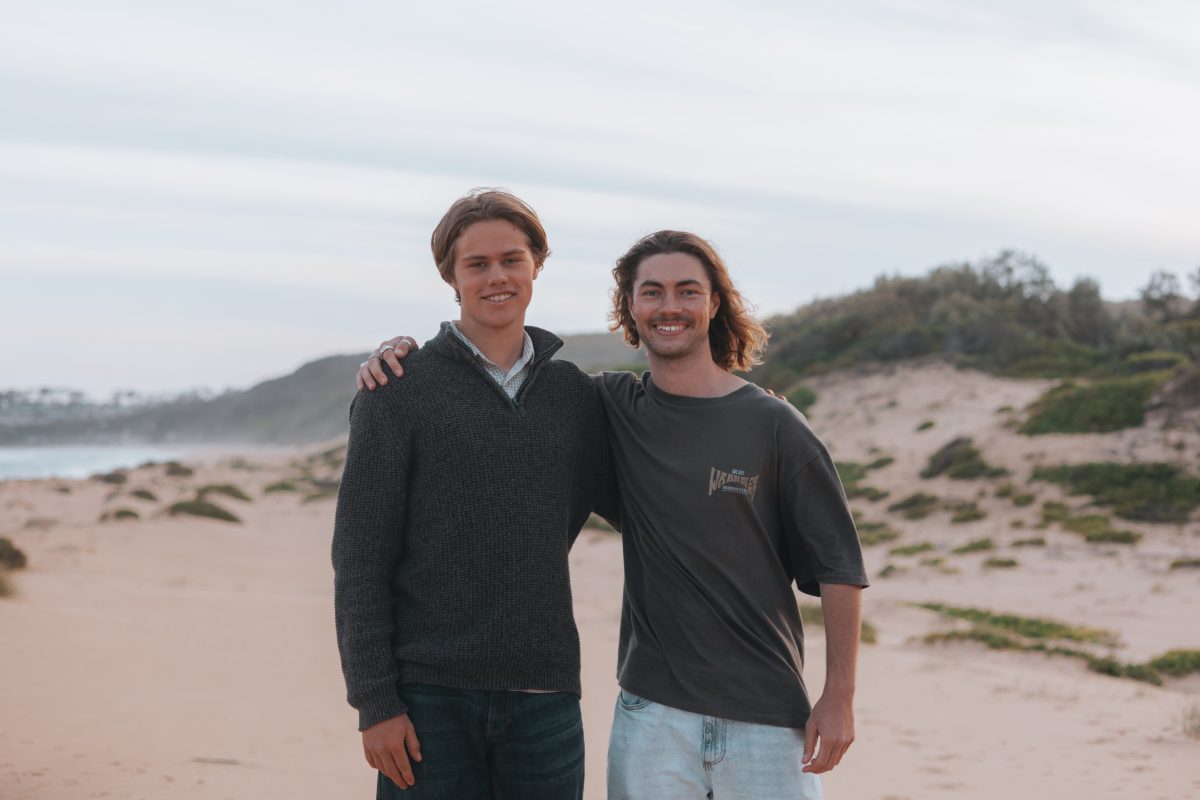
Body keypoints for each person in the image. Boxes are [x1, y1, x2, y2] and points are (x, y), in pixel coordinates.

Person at [361, 231, 868, 799]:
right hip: (650, 714)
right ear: (630, 307)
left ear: (714, 303)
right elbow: (504, 403)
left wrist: (838, 696)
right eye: (651, 292)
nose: (669, 307)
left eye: (686, 291)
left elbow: (839, 566)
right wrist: (400, 353)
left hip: (768, 715)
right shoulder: (604, 404)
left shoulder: (773, 424)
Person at [332, 188, 619, 800]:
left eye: (512, 259)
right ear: (450, 275)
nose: (497, 277)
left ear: (537, 265)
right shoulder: (397, 391)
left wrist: (745, 418)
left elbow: (647, 500)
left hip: (545, 696)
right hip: (426, 697)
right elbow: (359, 560)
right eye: (477, 264)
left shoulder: (574, 397)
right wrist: (374, 701)